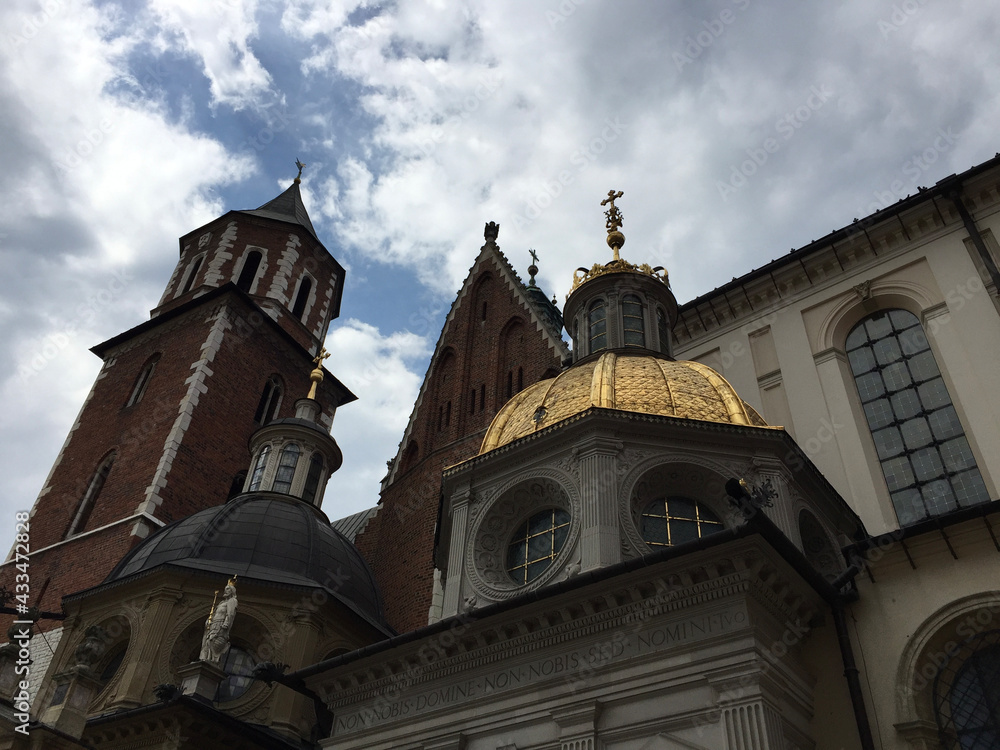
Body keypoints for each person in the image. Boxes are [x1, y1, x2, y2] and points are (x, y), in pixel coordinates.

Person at [200, 581, 238, 663]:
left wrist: (226, 623)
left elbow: (230, 613)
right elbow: (214, 614)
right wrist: (208, 621)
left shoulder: (232, 601)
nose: (225, 591)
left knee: (213, 640)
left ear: (232, 591)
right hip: (214, 624)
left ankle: (212, 659)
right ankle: (206, 658)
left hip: (220, 624)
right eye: (225, 589)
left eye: (227, 589)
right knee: (207, 641)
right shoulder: (221, 603)